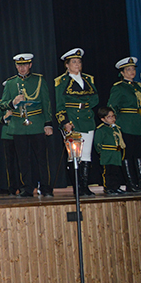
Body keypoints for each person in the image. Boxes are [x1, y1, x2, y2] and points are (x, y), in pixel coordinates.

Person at [0, 53, 54, 197]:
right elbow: (2, 104)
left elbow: (46, 102)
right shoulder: (10, 83)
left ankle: (46, 187)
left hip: (36, 123)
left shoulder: (39, 80)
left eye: (24, 65)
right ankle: (27, 188)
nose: (22, 68)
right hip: (18, 125)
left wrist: (48, 123)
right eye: (19, 65)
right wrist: (12, 103)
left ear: (30, 65)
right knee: (23, 160)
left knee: (41, 158)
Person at [107, 57, 141, 193]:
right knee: (127, 154)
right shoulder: (118, 88)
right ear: (122, 73)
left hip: (140, 124)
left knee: (139, 154)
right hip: (126, 124)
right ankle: (130, 183)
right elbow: (112, 106)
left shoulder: (138, 86)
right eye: (128, 70)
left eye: (133, 69)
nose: (132, 72)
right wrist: (115, 122)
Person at [55, 48, 99, 196]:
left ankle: (85, 186)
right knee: (74, 155)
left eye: (79, 62)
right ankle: (77, 187)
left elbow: (95, 99)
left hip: (87, 119)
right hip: (72, 120)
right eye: (73, 62)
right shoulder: (62, 81)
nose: (77, 64)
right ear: (67, 65)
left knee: (86, 155)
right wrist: (65, 121)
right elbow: (60, 104)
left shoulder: (88, 79)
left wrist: (82, 103)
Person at [94, 107, 127, 195]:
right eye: (109, 117)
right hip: (107, 154)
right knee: (108, 172)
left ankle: (116, 187)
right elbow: (97, 144)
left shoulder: (116, 128)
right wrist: (102, 153)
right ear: (103, 119)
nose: (113, 119)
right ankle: (109, 188)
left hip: (116, 154)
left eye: (113, 116)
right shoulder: (101, 129)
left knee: (116, 172)